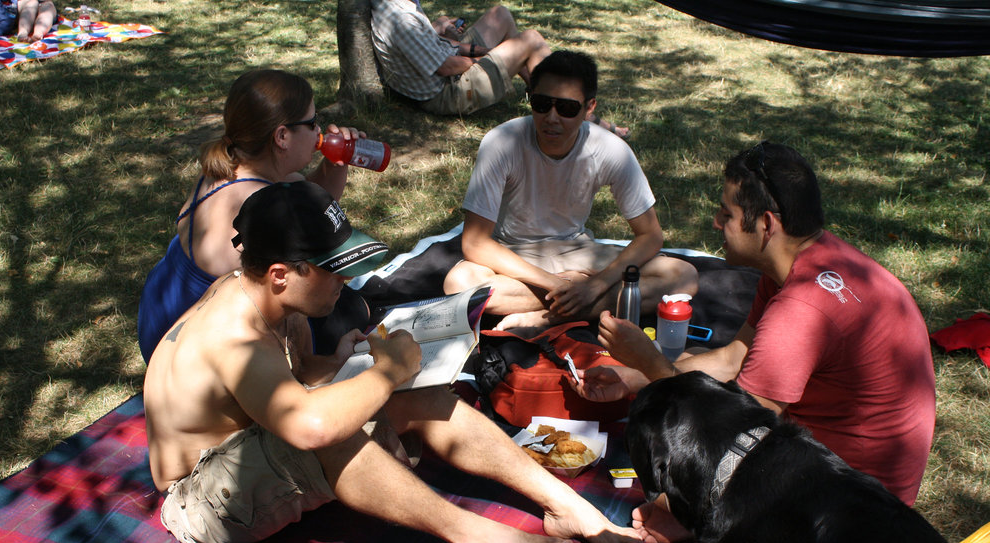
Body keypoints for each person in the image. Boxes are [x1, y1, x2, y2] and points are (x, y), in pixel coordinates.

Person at [145, 180, 642, 543]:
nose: (344, 282)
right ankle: (474, 535)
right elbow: (308, 427)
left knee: (416, 394)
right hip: (201, 500)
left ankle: (563, 503)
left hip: (252, 453)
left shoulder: (269, 295)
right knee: (332, 430)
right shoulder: (233, 334)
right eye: (333, 270)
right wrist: (386, 372)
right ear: (280, 273)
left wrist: (346, 365)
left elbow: (285, 379)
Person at [573, 142, 936, 543]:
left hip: (847, 518)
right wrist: (633, 375)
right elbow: (732, 359)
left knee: (667, 437)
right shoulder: (807, 258)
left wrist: (652, 367)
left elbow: (733, 432)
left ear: (765, 225)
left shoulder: (799, 311)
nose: (715, 222)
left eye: (727, 214)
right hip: (861, 485)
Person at [443, 50, 698, 330]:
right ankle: (577, 305)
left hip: (579, 251)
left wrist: (597, 284)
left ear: (589, 108)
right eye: (541, 104)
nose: (552, 118)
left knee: (683, 275)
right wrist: (562, 285)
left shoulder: (611, 150)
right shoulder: (502, 142)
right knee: (459, 284)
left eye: (566, 108)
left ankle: (548, 316)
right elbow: (476, 243)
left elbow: (650, 235)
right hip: (515, 257)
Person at [137, 69, 370, 363]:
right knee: (349, 308)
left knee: (347, 303)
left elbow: (312, 200)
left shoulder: (229, 165)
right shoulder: (260, 205)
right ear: (282, 136)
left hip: (161, 317)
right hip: (191, 350)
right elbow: (291, 310)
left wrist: (334, 164)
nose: (319, 132)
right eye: (311, 123)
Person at [370, 0, 551, 116]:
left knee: (500, 14)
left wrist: (483, 50)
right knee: (531, 39)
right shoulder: (402, 19)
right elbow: (445, 67)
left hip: (445, 65)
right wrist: (490, 56)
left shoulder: (398, 4)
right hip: (446, 91)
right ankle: (560, 102)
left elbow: (434, 45)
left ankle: (537, 90)